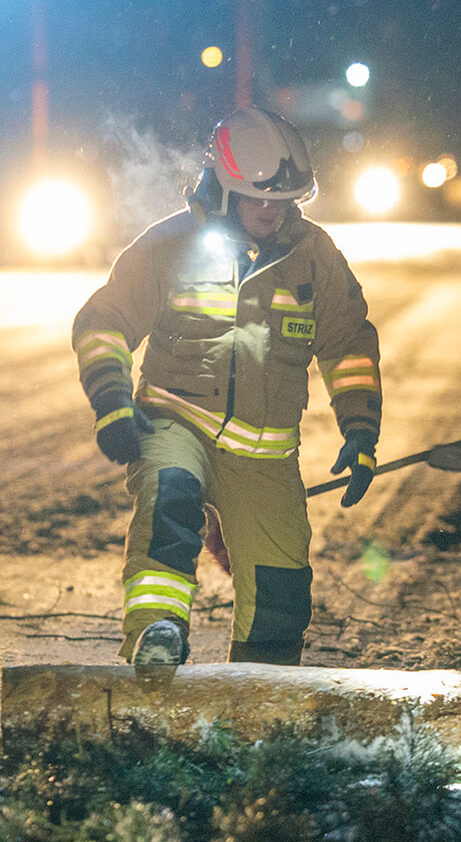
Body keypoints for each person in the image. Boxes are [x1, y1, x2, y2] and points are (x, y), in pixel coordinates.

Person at [70, 106, 381, 667]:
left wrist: (360, 428)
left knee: (282, 593)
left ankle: (260, 699)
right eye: (257, 197)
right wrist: (112, 402)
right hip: (174, 421)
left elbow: (348, 343)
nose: (269, 210)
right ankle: (156, 637)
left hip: (264, 455)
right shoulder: (168, 246)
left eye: (282, 200)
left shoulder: (315, 258)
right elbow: (104, 323)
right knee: (170, 501)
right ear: (223, 187)